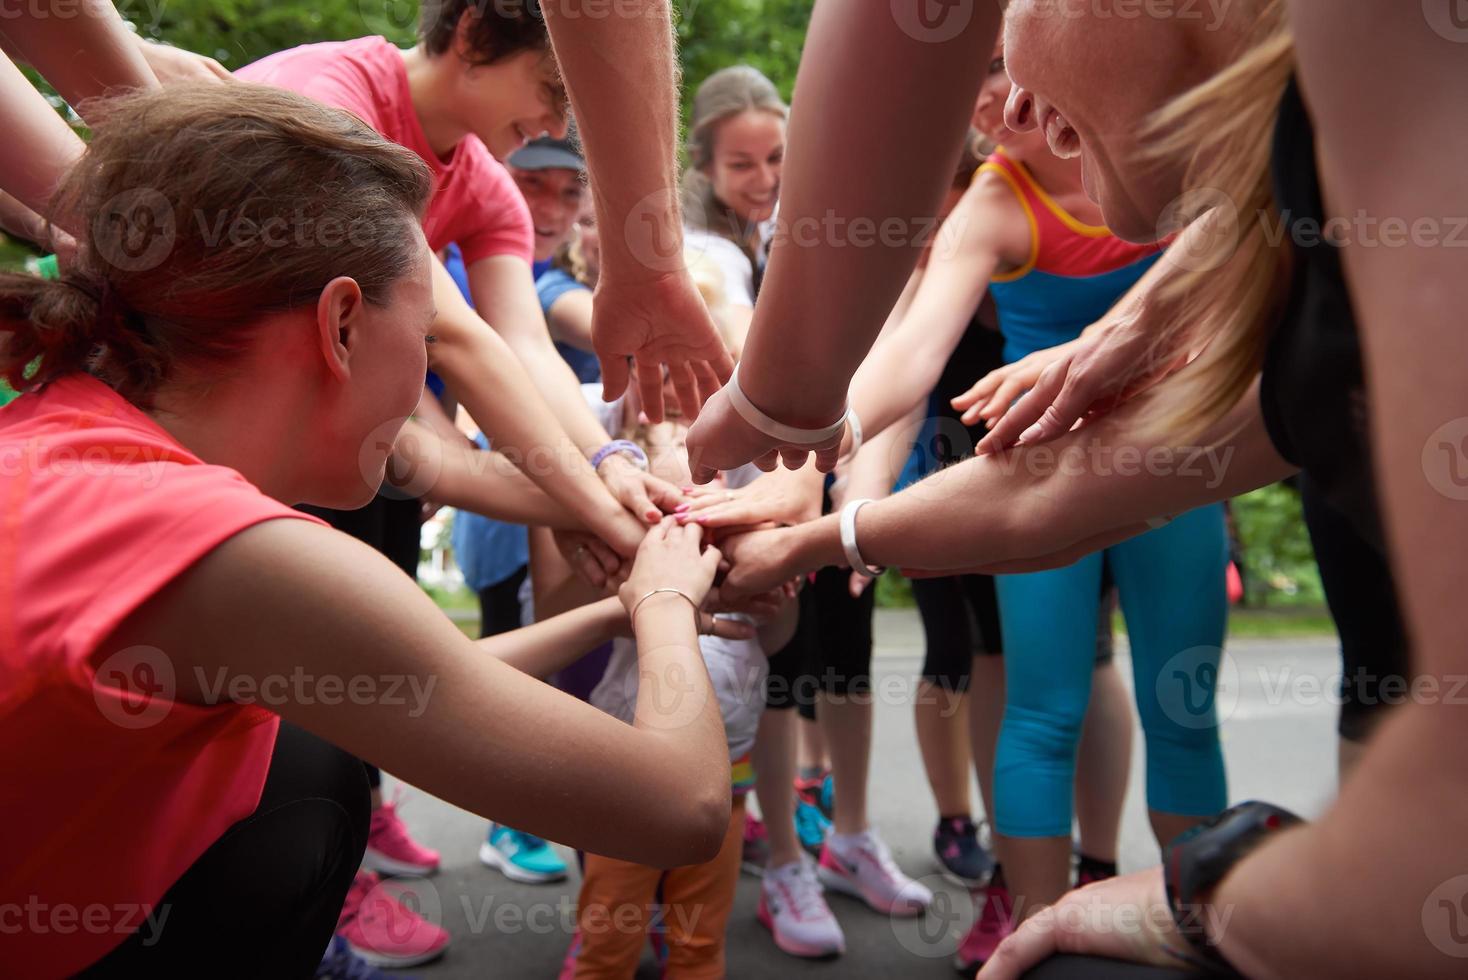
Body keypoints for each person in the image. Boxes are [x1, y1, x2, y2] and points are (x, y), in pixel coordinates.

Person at [0, 82, 736, 977]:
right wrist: (666, 597)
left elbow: (398, 675)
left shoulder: (70, 437)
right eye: (425, 333)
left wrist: (610, 614)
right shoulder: (239, 551)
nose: (426, 368)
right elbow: (683, 807)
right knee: (318, 778)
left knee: (305, 750)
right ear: (341, 323)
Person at [237, 0, 681, 570]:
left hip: (338, 445)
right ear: (472, 35)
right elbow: (453, 336)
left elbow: (525, 347)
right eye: (550, 89)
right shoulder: (326, 99)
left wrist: (610, 462)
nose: (557, 126)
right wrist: (602, 511)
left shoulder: (488, 191)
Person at [680, 65, 786, 354]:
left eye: (776, 157)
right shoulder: (702, 245)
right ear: (705, 164)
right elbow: (750, 352)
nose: (765, 180)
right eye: (742, 165)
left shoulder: (771, 215)